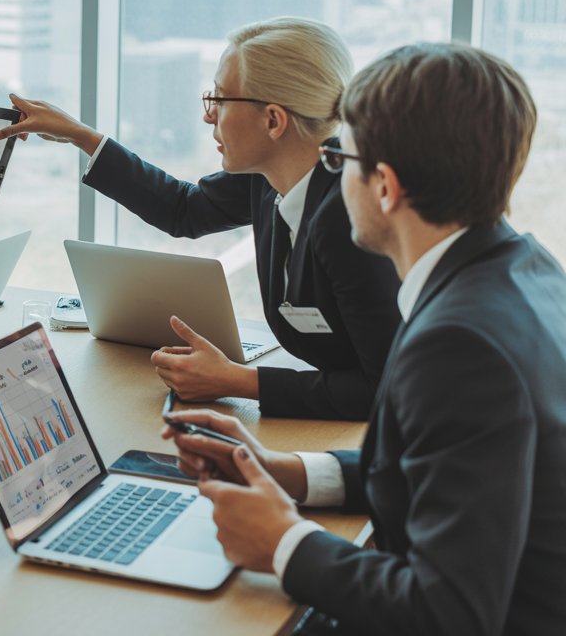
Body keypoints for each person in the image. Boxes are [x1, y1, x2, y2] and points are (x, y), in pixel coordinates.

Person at [167, 43, 566, 634]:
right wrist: (289, 472)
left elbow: (447, 612)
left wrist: (283, 541)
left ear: (385, 186)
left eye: (338, 156)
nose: (332, 173)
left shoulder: (459, 345)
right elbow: (455, 476)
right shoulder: (528, 270)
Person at [0, 17, 400, 420]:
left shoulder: (351, 218)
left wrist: (236, 381)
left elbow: (384, 390)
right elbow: (183, 210)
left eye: (220, 100)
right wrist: (81, 136)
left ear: (274, 121)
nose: (209, 116)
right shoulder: (268, 179)